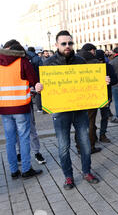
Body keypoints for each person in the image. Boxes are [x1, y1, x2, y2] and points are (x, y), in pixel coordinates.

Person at [44, 31, 103, 190]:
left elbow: (89, 83)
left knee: (84, 143)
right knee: (63, 146)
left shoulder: (80, 61)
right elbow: (43, 87)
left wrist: (101, 82)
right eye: (63, 43)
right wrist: (39, 87)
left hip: (80, 109)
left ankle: (86, 171)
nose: (67, 46)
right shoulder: (48, 63)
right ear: (56, 45)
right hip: (60, 111)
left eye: (70, 43)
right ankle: (68, 177)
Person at [0, 40, 43, 179]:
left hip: (3, 107)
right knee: (24, 138)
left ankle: (14, 171)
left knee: (10, 140)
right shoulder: (22, 61)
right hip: (21, 107)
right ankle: (26, 169)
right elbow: (34, 80)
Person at [96, 49, 118, 143]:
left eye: (101, 60)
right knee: (91, 117)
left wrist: (108, 81)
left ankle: (102, 134)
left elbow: (115, 80)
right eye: (98, 60)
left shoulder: (108, 66)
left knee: (104, 116)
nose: (100, 62)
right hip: (92, 96)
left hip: (105, 95)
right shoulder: (89, 67)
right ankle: (93, 135)